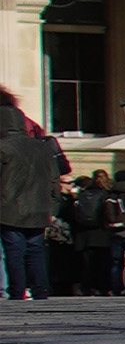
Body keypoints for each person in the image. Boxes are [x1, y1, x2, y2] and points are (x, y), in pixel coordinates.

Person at [0, 84, 55, 303]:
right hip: (39, 207)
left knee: (14, 252)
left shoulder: (3, 147)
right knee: (35, 252)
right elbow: (53, 180)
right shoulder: (42, 147)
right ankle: (41, 291)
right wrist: (53, 205)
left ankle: (17, 292)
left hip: (9, 207)